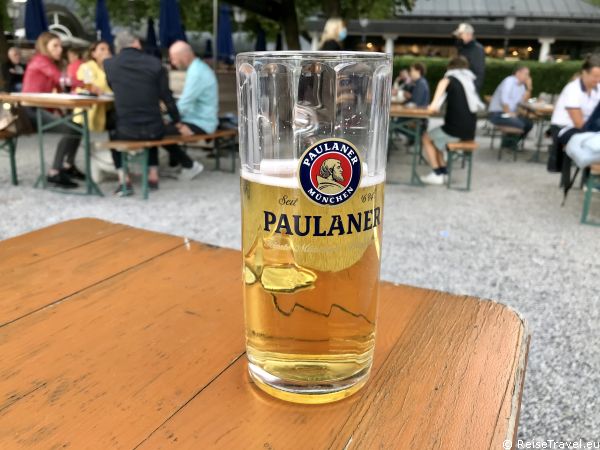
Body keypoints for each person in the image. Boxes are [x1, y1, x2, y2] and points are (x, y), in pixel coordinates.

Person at [104, 31, 203, 195]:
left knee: (112, 126)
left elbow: (112, 87)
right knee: (151, 121)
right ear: (136, 43)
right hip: (154, 131)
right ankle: (153, 176)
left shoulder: (109, 64)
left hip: (126, 132)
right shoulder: (155, 63)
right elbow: (167, 98)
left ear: (119, 47)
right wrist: (178, 121)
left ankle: (124, 181)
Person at [22, 32, 83, 188]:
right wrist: (85, 84)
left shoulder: (49, 63)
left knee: (78, 126)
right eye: (55, 46)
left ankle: (68, 166)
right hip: (30, 110)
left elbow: (58, 88)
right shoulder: (40, 61)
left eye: (60, 46)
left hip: (40, 107)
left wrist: (62, 112)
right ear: (44, 47)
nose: (60, 49)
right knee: (71, 127)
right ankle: (54, 172)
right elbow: (61, 80)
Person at [420, 56, 483, 185]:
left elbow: (434, 106)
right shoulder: (469, 82)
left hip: (455, 129)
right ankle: (443, 173)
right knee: (436, 140)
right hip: (469, 129)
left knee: (426, 137)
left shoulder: (447, 80)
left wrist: (432, 105)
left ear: (450, 67)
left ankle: (437, 173)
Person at [168, 40, 220, 172]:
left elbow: (185, 103)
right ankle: (176, 164)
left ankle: (189, 165)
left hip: (201, 122)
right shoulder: (198, 68)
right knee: (164, 128)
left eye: (174, 59)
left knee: (159, 131)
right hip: (198, 119)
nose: (172, 63)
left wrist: (168, 117)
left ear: (184, 56)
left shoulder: (196, 73)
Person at [549, 54, 600, 185]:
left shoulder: (598, 88)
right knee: (592, 145)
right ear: (584, 73)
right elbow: (578, 123)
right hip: (564, 128)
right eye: (595, 76)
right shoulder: (573, 89)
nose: (598, 79)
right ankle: (590, 181)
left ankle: (590, 180)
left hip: (586, 127)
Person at [488, 66, 534, 148]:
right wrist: (510, 114)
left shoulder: (522, 86)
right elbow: (504, 100)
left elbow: (523, 102)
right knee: (520, 123)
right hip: (497, 113)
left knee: (529, 124)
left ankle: (511, 144)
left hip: (510, 114)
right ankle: (508, 144)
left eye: (528, 75)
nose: (528, 77)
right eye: (526, 74)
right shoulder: (509, 81)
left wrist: (529, 88)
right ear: (517, 73)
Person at [74, 41, 113, 133]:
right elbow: (91, 86)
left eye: (108, 49)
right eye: (102, 49)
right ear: (93, 53)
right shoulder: (87, 67)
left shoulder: (112, 68)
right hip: (87, 113)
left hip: (107, 110)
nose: (107, 52)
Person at [453, 23, 485, 92]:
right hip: (462, 86)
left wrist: (472, 89)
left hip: (469, 88)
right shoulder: (464, 47)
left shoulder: (476, 49)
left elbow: (478, 72)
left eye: (460, 34)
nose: (458, 37)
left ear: (468, 35)